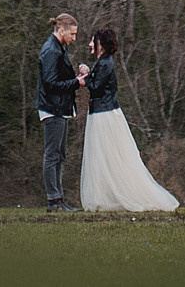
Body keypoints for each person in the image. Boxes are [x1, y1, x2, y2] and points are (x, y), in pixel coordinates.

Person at [76, 27, 179, 212]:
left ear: (101, 45)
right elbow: (98, 81)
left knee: (106, 156)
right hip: (101, 113)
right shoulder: (104, 63)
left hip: (104, 116)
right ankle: (105, 197)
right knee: (102, 157)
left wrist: (82, 80)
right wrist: (88, 73)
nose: (90, 44)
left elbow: (96, 87)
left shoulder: (106, 63)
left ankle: (111, 197)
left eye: (93, 41)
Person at [36, 12, 82, 211]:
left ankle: (58, 200)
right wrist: (76, 82)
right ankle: (53, 201)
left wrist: (77, 75)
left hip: (60, 108)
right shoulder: (51, 51)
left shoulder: (59, 48)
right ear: (61, 30)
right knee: (52, 155)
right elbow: (51, 83)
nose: (74, 38)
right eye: (72, 34)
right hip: (53, 108)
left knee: (59, 154)